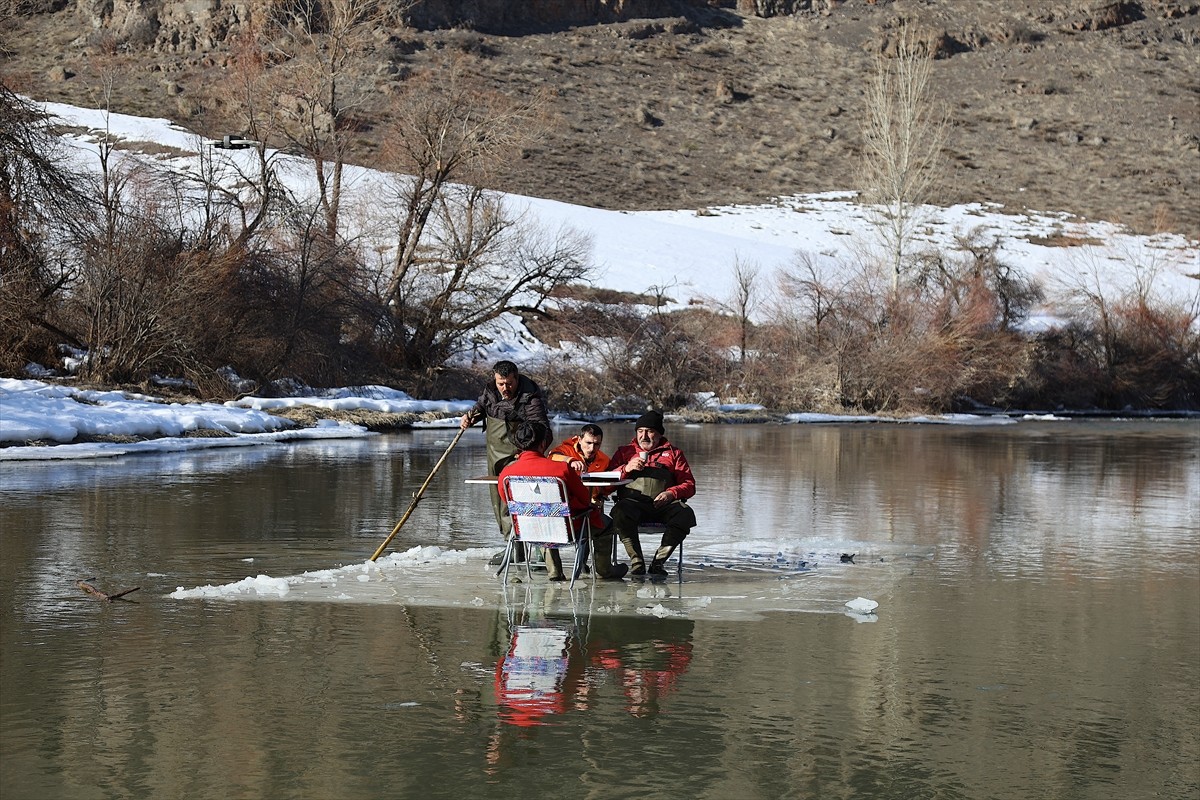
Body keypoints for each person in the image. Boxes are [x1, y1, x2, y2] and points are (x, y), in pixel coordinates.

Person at [497, 420, 629, 581]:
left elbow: (507, 501)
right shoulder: (560, 469)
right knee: (606, 524)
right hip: (567, 528)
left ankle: (554, 571)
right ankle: (604, 570)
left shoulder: (506, 473)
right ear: (543, 443)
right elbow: (583, 497)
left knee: (543, 518)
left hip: (527, 529)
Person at [461, 360, 551, 550]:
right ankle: (511, 546)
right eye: (500, 383)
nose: (504, 388)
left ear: (516, 378)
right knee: (497, 498)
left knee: (515, 500)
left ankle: (532, 548)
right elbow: (482, 406)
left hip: (520, 455)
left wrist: (530, 452)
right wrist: (471, 416)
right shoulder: (491, 390)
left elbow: (543, 430)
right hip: (494, 453)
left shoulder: (531, 397)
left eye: (508, 383)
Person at [608, 410, 696, 577]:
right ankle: (636, 561)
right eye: (640, 431)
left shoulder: (674, 453)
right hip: (632, 506)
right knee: (619, 511)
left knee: (685, 513)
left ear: (659, 433)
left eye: (649, 431)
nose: (644, 436)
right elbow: (607, 484)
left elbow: (689, 485)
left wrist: (671, 493)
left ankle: (659, 562)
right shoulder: (624, 452)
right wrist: (626, 469)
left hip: (663, 507)